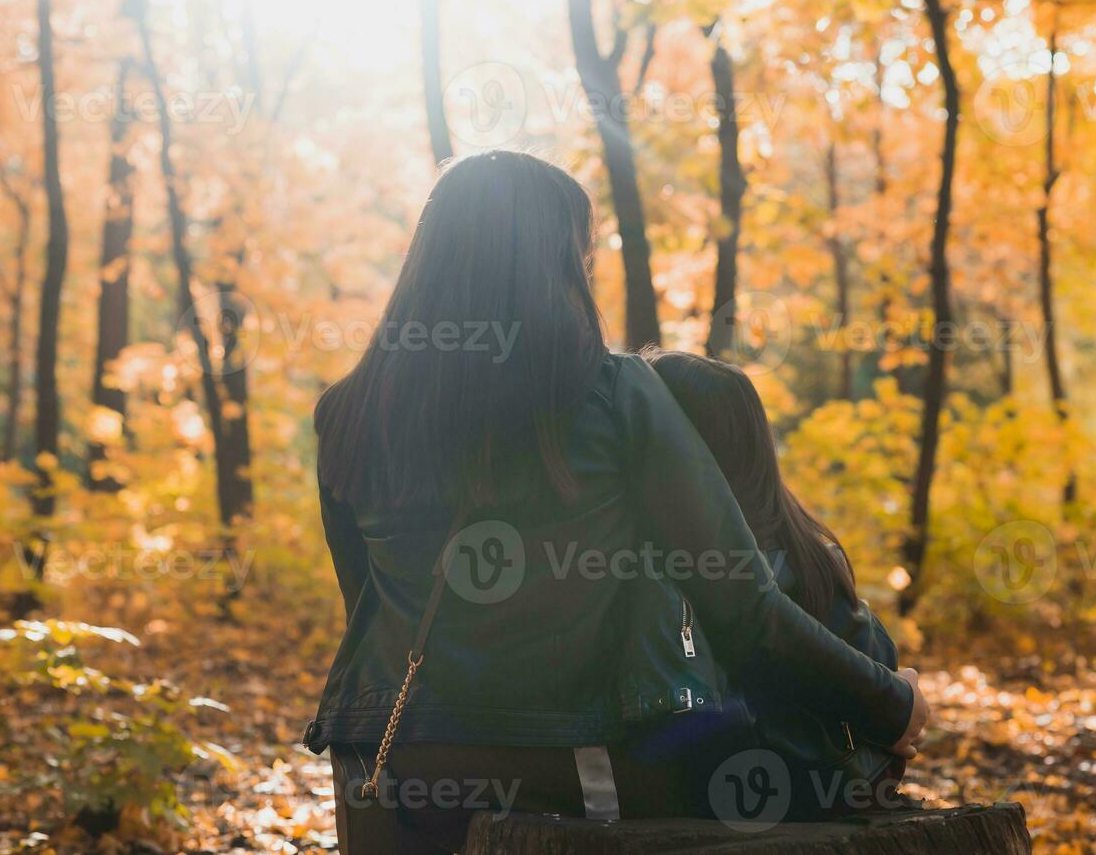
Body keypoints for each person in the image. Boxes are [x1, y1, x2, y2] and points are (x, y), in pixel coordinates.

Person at [303, 151, 928, 853]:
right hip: (574, 769)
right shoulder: (616, 395)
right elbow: (742, 604)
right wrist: (890, 701)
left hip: (396, 770)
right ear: (555, 264)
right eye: (583, 256)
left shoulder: (345, 414)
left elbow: (370, 609)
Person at [646, 350, 916, 817]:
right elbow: (876, 675)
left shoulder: (649, 558)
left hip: (703, 793)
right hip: (822, 792)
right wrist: (901, 694)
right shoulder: (808, 554)